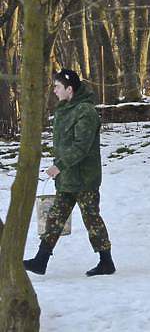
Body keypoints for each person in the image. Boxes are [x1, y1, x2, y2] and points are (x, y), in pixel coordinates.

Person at [24, 69, 115, 276]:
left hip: (84, 179)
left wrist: (59, 166)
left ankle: (106, 262)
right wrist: (60, 168)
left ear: (70, 89)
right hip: (67, 178)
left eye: (57, 87)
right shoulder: (64, 109)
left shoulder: (85, 111)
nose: (54, 91)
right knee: (55, 217)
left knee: (91, 219)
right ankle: (41, 260)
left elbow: (81, 147)